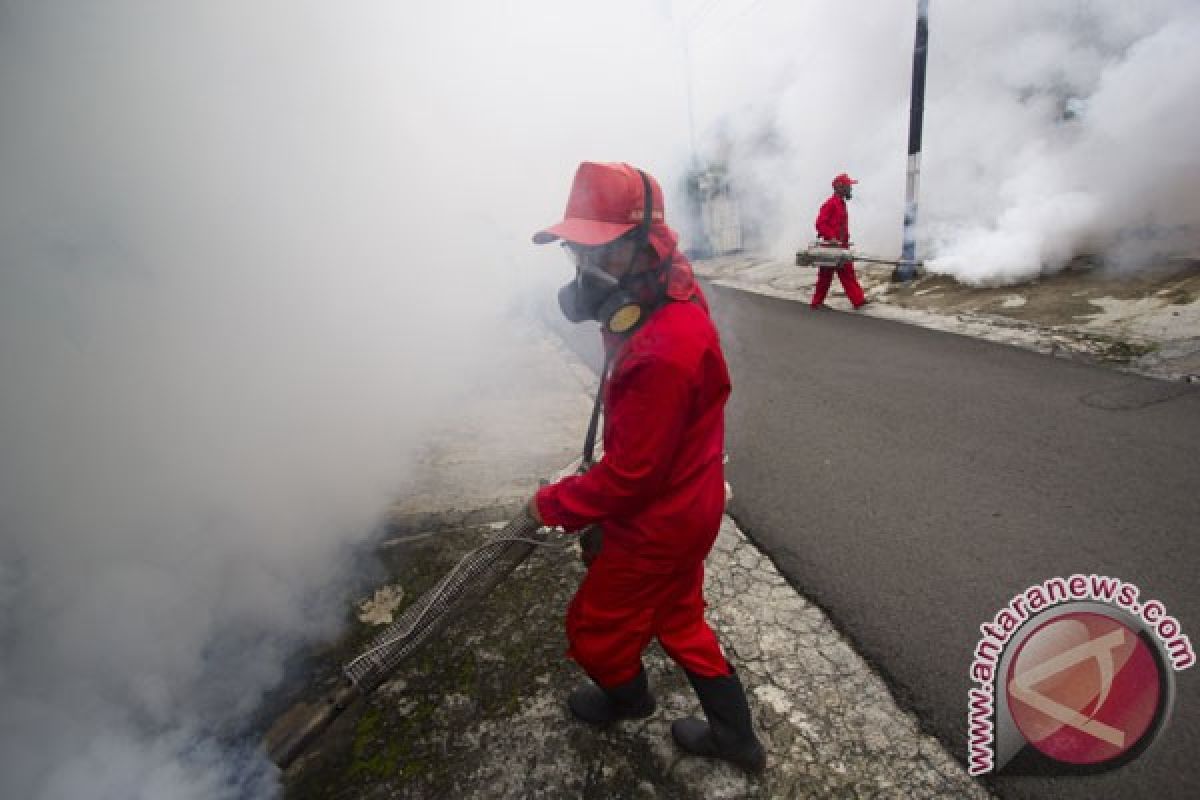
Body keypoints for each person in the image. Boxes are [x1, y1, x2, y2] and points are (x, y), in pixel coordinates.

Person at [527, 161, 766, 773]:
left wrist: (549, 505)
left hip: (656, 521)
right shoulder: (669, 289)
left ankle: (625, 698)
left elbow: (632, 477)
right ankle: (737, 739)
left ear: (642, 245)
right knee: (680, 619)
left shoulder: (663, 348)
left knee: (594, 630)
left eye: (593, 246)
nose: (581, 262)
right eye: (575, 247)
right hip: (690, 502)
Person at [811, 173, 867, 310]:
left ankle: (858, 301)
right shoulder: (830, 204)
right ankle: (817, 303)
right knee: (825, 276)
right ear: (840, 187)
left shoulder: (840, 203)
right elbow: (819, 223)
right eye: (849, 186)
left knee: (847, 273)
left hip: (841, 246)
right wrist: (832, 237)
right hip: (831, 247)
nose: (850, 189)